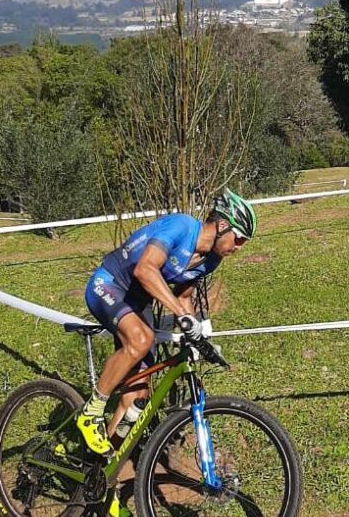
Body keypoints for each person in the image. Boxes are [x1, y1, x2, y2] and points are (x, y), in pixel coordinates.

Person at [76, 190, 257, 469]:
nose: (240, 246)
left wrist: (197, 335)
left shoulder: (211, 260)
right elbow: (145, 269)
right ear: (222, 226)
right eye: (240, 238)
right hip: (109, 284)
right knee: (141, 338)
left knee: (137, 398)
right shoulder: (182, 226)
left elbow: (184, 298)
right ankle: (91, 411)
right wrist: (176, 311)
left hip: (137, 303)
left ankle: (99, 473)